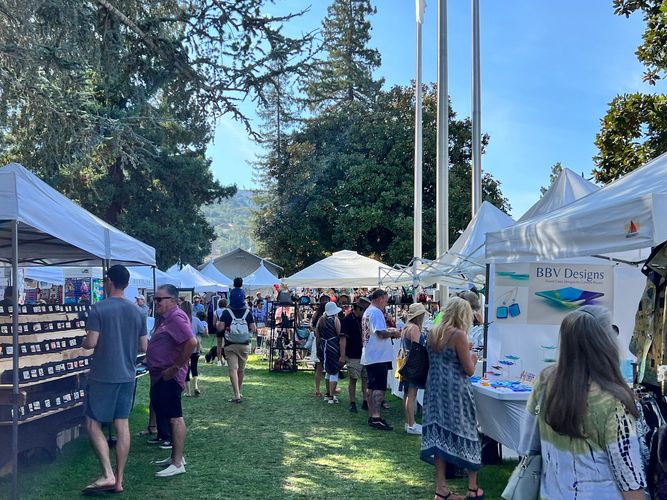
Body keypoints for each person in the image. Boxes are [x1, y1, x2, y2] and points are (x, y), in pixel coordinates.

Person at [520, 306, 646, 499]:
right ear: (607, 342)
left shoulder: (545, 381)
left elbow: (526, 443)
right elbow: (630, 479)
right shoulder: (612, 401)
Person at [81, 265, 146, 494]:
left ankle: (108, 474)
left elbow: (91, 342)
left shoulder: (99, 308)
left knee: (92, 423)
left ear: (108, 281)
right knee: (122, 425)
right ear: (127, 284)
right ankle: (119, 480)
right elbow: (143, 346)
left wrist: (83, 342)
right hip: (128, 374)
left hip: (102, 375)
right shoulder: (138, 311)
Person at [420, 297, 481, 500]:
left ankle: (441, 488)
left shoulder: (432, 333)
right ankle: (473, 487)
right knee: (468, 432)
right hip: (455, 391)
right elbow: (469, 370)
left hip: (434, 388)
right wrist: (473, 356)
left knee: (439, 436)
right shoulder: (459, 335)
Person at [146, 284, 197, 477]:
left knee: (175, 418)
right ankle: (176, 457)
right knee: (167, 415)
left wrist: (175, 367)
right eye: (155, 299)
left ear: (173, 301)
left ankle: (177, 463)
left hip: (170, 376)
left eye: (160, 299)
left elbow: (192, 342)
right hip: (161, 375)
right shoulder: (166, 318)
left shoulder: (175, 317)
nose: (156, 303)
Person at [361, 289, 401, 431]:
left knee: (372, 387)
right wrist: (394, 333)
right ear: (379, 299)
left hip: (371, 354)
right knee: (378, 387)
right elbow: (380, 333)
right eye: (385, 300)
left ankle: (373, 415)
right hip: (378, 355)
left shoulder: (368, 311)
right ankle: (376, 416)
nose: (386, 303)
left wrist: (388, 330)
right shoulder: (376, 312)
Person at [217, 295, 257, 403]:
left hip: (230, 344)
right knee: (241, 369)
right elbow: (254, 328)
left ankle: (236, 394)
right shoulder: (248, 312)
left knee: (232, 369)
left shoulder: (226, 312)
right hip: (244, 344)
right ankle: (239, 391)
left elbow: (220, 327)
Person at [401, 302, 428, 435]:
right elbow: (417, 348)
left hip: (406, 362)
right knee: (412, 394)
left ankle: (408, 422)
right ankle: (411, 424)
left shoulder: (406, 327)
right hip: (413, 364)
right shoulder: (415, 329)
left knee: (407, 394)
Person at [340, 296, 370, 413]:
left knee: (365, 379)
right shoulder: (347, 320)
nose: (364, 313)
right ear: (357, 308)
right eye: (362, 310)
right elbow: (343, 339)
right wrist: (343, 355)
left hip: (365, 354)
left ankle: (365, 401)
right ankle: (352, 402)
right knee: (353, 378)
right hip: (353, 354)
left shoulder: (364, 320)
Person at [315, 301, 344, 403]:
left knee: (327, 370)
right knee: (334, 371)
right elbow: (339, 334)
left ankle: (328, 393)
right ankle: (331, 395)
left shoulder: (321, 320)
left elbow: (317, 336)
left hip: (323, 346)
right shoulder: (335, 320)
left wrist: (318, 348)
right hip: (333, 346)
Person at [180, 302, 208, 397]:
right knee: (194, 367)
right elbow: (202, 331)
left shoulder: (180, 319)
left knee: (185, 368)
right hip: (195, 346)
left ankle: (188, 391)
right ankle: (195, 386)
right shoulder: (195, 319)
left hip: (184, 347)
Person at [311, 295, 331, 397]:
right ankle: (329, 390)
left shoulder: (316, 315)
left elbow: (312, 327)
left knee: (319, 368)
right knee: (327, 368)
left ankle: (318, 389)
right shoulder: (329, 316)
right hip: (326, 342)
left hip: (318, 342)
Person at [214, 297, 229, 366]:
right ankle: (226, 361)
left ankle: (219, 361)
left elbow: (214, 322)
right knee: (226, 345)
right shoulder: (228, 311)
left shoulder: (216, 311)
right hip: (226, 328)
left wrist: (217, 327)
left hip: (219, 328)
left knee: (219, 345)